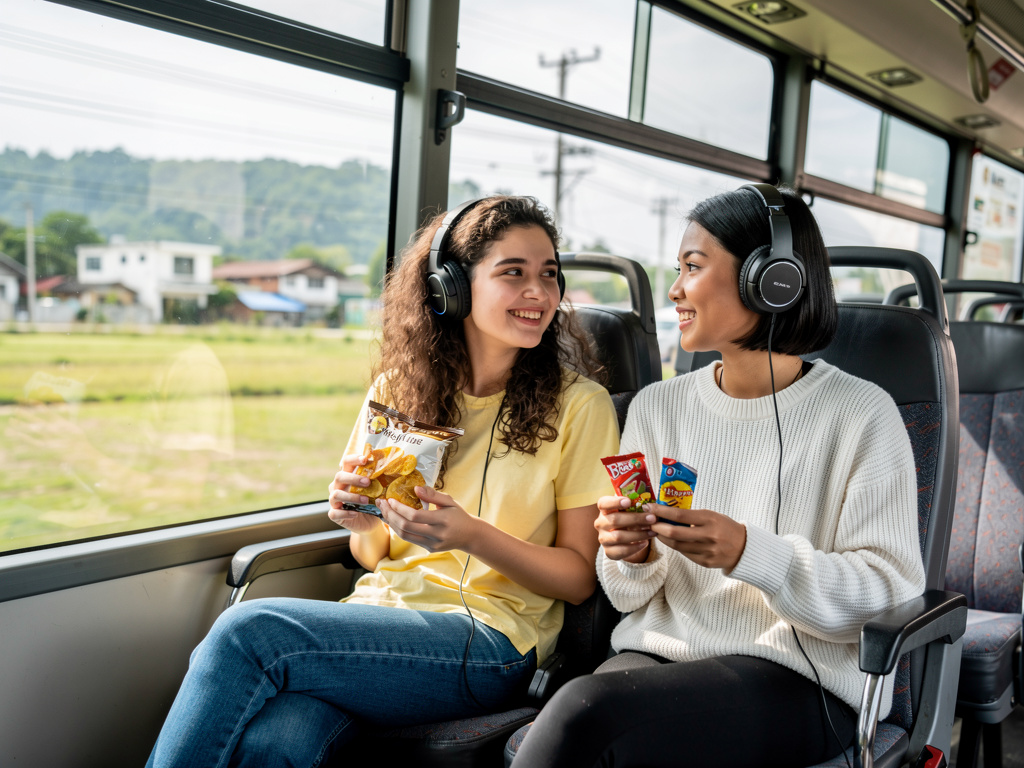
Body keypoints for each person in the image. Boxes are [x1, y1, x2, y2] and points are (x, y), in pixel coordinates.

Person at [145, 195, 620, 768]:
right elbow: (372, 556)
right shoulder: (400, 390)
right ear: (454, 288)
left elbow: (576, 579)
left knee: (249, 631)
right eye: (513, 273)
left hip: (493, 642)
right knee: (280, 740)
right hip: (382, 618)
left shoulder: (580, 406)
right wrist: (361, 519)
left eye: (549, 275)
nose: (539, 293)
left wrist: (470, 536)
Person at [511, 184, 927, 768]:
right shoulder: (658, 408)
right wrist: (630, 554)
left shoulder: (863, 415)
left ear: (770, 279)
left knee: (587, 717)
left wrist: (751, 553)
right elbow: (626, 593)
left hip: (802, 679)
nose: (676, 289)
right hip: (658, 658)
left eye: (693, 267)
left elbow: (891, 595)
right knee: (577, 713)